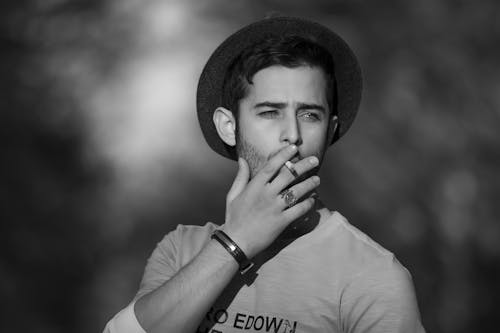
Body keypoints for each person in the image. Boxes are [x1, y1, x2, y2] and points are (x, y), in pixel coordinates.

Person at [104, 16, 425, 333]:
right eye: (270, 112)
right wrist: (234, 242)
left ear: (331, 131)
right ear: (229, 127)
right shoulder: (181, 250)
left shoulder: (373, 275)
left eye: (310, 114)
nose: (292, 134)